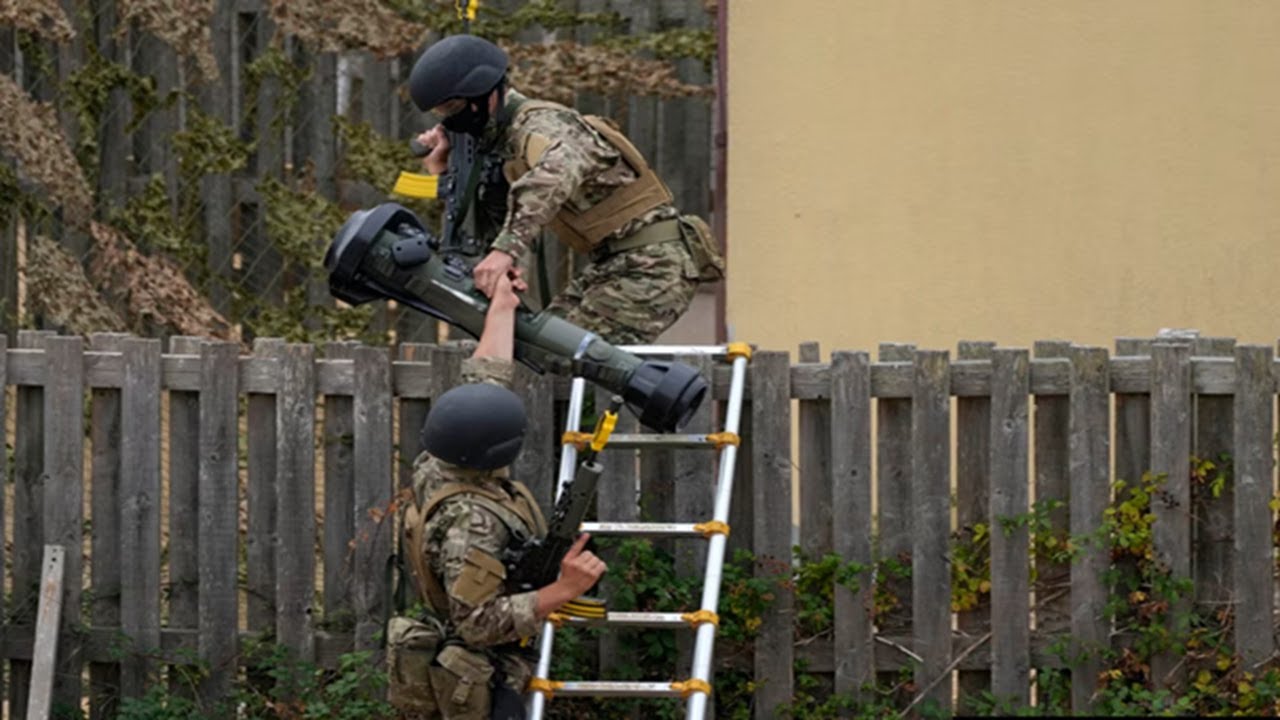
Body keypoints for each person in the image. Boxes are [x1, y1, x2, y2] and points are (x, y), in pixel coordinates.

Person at [407, 34, 725, 346]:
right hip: (613, 267)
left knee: (558, 359)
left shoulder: (542, 125)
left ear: (484, 95)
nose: (449, 120)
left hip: (652, 267)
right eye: (441, 114)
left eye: (452, 108)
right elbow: (485, 222)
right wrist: (445, 171)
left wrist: (505, 250)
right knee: (529, 348)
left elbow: (554, 174)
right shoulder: (504, 146)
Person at [387, 273, 608, 720]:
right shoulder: (473, 522)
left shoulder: (438, 464)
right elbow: (476, 622)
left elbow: (484, 380)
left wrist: (502, 307)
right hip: (481, 680)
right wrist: (565, 588)